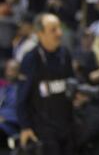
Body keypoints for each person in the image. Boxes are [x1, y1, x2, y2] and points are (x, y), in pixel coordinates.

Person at [16, 13, 74, 155]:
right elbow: (21, 98)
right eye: (53, 30)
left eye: (59, 28)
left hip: (66, 124)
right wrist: (25, 127)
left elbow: (70, 81)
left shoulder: (65, 54)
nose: (59, 33)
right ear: (40, 33)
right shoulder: (31, 58)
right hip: (42, 128)